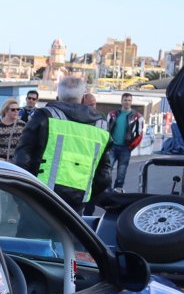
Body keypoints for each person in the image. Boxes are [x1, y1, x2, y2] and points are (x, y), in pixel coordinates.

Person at [12, 73, 112, 211]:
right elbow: (104, 174)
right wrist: (86, 193)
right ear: (83, 98)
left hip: (41, 196)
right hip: (77, 200)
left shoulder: (44, 116)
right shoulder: (101, 125)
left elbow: (22, 158)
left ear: (58, 96)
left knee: (32, 232)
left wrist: (25, 194)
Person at [104, 91, 144, 190]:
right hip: (112, 146)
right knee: (107, 169)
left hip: (126, 148)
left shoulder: (138, 116)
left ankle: (118, 189)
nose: (127, 102)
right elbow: (105, 130)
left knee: (122, 171)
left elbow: (140, 134)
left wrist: (131, 147)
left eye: (129, 100)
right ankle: (107, 189)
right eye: (125, 100)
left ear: (132, 102)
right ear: (121, 101)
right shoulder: (112, 114)